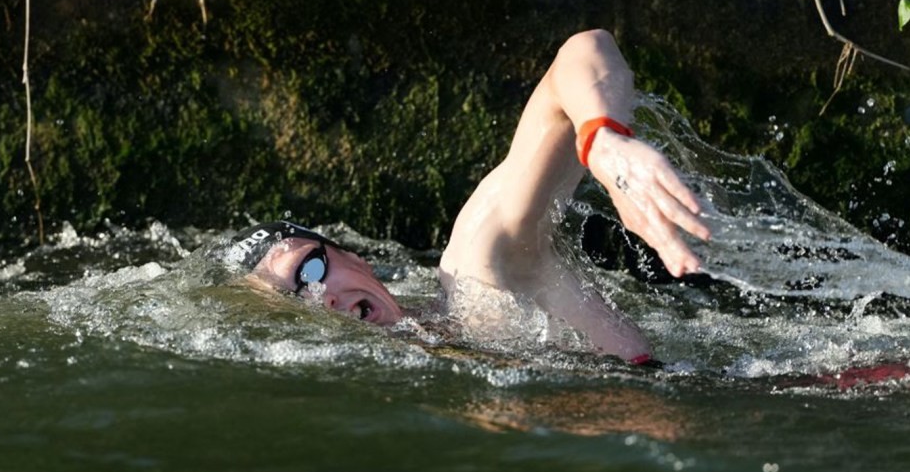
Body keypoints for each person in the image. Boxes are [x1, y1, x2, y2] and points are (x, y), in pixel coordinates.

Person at [227, 29, 712, 363]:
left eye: (310, 270)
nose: (320, 301)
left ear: (353, 256)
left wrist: (603, 141)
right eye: (294, 305)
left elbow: (582, 51)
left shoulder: (480, 276)